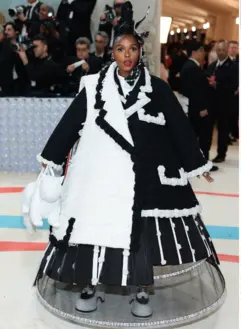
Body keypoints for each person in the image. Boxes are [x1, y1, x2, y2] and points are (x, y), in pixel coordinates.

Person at [23, 1, 224, 322]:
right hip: (101, 175)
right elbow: (68, 126)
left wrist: (195, 163)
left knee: (140, 232)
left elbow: (179, 127)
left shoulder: (157, 87)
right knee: (96, 227)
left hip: (147, 177)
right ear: (112, 53)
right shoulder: (93, 88)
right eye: (120, 49)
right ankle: (93, 283)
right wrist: (52, 160)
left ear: (140, 51)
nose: (126, 54)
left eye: (132, 49)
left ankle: (141, 287)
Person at [180, 41, 218, 172]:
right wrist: (202, 108)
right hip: (198, 110)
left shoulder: (192, 67)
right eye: (201, 50)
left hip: (196, 108)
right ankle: (201, 164)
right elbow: (194, 91)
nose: (203, 53)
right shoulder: (191, 68)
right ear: (194, 52)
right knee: (203, 137)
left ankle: (201, 162)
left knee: (201, 137)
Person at [207, 40, 236, 163]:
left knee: (223, 129)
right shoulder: (212, 66)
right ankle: (206, 151)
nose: (220, 52)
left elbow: (233, 85)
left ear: (227, 50)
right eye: (218, 50)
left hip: (225, 104)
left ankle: (221, 153)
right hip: (212, 103)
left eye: (223, 50)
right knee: (208, 128)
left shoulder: (233, 66)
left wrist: (217, 84)